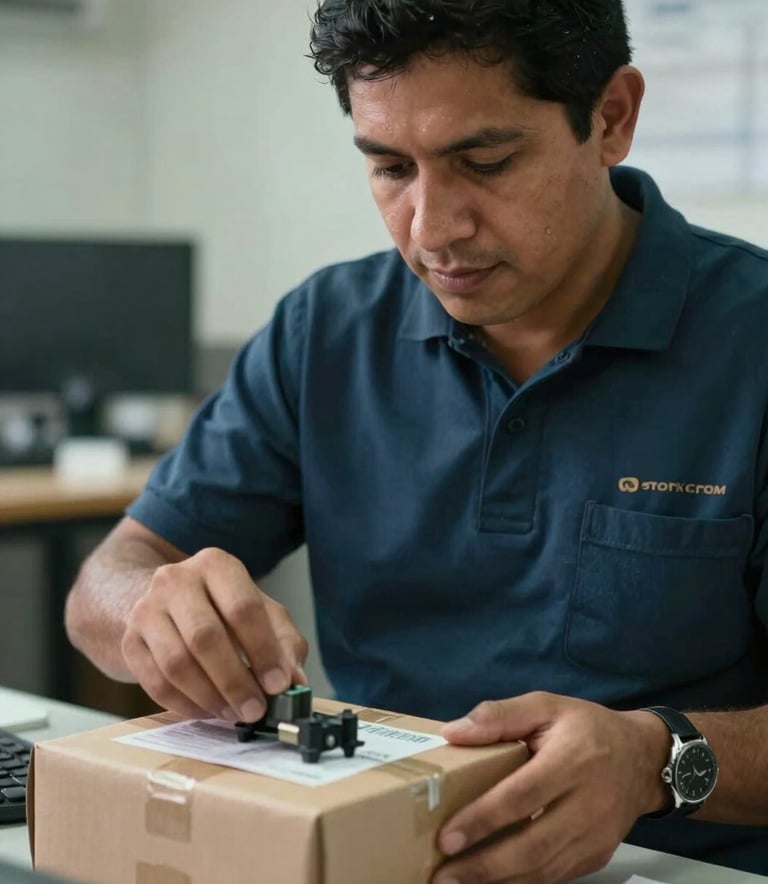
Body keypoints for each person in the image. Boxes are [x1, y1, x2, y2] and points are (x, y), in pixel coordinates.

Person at [65, 1, 768, 879]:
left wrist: (654, 762)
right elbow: (106, 582)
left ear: (611, 118)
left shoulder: (750, 343)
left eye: (487, 162)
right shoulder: (325, 330)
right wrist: (152, 609)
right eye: (391, 168)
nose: (432, 230)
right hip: (370, 854)